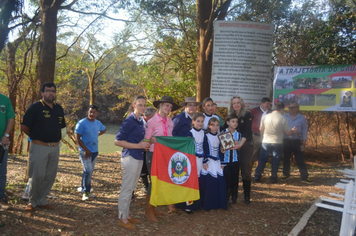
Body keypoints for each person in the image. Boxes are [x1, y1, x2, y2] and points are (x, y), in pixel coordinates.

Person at [21, 82, 66, 212]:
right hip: (39, 147)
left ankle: (42, 200)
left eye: (53, 91)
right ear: (42, 93)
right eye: (47, 91)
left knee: (50, 175)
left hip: (54, 147)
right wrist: (36, 137)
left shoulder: (58, 108)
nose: (51, 93)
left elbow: (61, 126)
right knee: (37, 175)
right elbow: (24, 126)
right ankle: (32, 202)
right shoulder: (35, 107)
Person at [115, 95, 150, 230]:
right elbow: (117, 141)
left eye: (144, 105)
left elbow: (139, 140)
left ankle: (127, 214)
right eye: (140, 105)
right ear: (134, 105)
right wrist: (139, 146)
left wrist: (146, 143)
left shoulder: (140, 120)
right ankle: (122, 218)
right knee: (126, 188)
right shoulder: (130, 120)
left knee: (131, 188)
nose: (142, 107)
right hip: (130, 157)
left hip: (139, 157)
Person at [144, 95, 179, 222]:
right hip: (153, 154)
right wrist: (151, 140)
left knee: (161, 181)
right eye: (166, 105)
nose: (168, 108)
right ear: (160, 105)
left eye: (170, 106)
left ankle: (154, 208)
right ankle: (148, 210)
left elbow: (170, 138)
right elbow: (146, 141)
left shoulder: (170, 122)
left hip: (165, 154)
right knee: (153, 181)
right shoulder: (151, 122)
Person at [254, 102, 296, 183]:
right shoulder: (283, 118)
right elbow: (288, 133)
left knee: (262, 159)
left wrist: (263, 137)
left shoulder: (265, 116)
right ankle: (273, 177)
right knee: (275, 160)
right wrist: (294, 131)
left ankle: (257, 176)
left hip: (266, 141)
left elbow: (261, 129)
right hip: (277, 142)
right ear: (281, 109)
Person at [223, 95, 253, 204]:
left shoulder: (247, 114)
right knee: (232, 171)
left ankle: (246, 196)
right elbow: (223, 128)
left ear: (242, 103)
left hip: (245, 144)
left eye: (238, 102)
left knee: (245, 170)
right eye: (234, 103)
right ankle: (231, 196)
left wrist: (240, 144)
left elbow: (247, 132)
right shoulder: (230, 115)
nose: (236, 105)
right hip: (232, 145)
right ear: (231, 105)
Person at [75, 105, 106, 201]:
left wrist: (96, 135)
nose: (92, 114)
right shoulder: (82, 123)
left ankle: (84, 188)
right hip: (85, 152)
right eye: (90, 112)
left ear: (97, 113)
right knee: (88, 170)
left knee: (89, 171)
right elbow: (77, 138)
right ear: (87, 112)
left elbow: (104, 129)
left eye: (94, 112)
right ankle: (85, 192)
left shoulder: (98, 123)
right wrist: (85, 150)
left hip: (94, 151)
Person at [282, 102, 312, 183]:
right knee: (286, 158)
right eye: (289, 107)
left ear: (297, 108)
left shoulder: (301, 118)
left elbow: (304, 129)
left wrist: (304, 139)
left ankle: (304, 177)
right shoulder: (284, 117)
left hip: (297, 140)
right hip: (286, 140)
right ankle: (285, 174)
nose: (290, 109)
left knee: (300, 159)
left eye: (292, 107)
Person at [200, 117, 226, 210]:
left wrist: (222, 162)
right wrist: (205, 161)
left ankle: (218, 203)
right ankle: (208, 204)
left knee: (219, 182)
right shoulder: (206, 136)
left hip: (217, 162)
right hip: (209, 162)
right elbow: (204, 149)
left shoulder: (220, 136)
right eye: (213, 125)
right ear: (209, 126)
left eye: (217, 125)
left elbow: (221, 150)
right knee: (209, 183)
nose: (215, 127)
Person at [221, 114, 242, 206]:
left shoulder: (239, 134)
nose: (235, 124)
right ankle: (226, 198)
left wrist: (237, 145)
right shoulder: (223, 133)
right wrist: (222, 149)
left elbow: (239, 148)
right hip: (225, 161)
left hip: (235, 160)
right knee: (227, 179)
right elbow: (221, 147)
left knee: (235, 179)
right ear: (228, 122)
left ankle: (234, 197)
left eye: (236, 122)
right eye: (233, 121)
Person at [0, 93, 15, 209]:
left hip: (1, 143)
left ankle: (1, 197)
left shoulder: (4, 100)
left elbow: (10, 119)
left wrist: (6, 135)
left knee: (1, 172)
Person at [250, 97, 272, 170]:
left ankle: (259, 173)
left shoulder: (271, 112)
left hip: (266, 137)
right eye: (266, 103)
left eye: (269, 104)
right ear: (262, 103)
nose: (268, 105)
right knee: (253, 154)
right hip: (255, 136)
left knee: (262, 156)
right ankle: (248, 173)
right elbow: (249, 122)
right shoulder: (254, 111)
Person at [139, 107, 156, 192]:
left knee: (149, 168)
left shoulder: (153, 123)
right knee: (141, 169)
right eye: (154, 114)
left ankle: (149, 187)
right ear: (149, 115)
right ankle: (144, 185)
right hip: (139, 149)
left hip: (150, 149)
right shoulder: (139, 122)